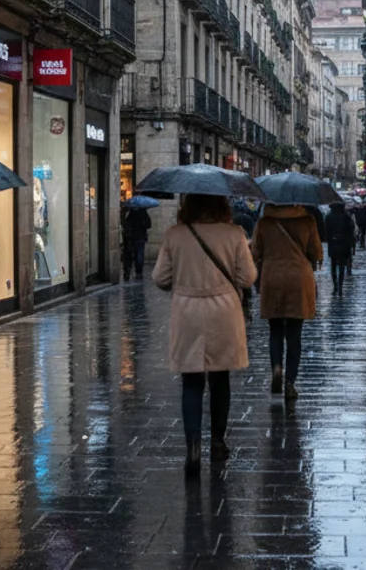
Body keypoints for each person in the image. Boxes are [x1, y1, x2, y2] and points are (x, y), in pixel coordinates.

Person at [152, 195, 256, 476]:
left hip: (187, 314)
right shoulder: (234, 234)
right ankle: (218, 441)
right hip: (223, 312)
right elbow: (247, 278)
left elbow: (160, 278)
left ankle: (193, 447)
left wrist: (184, 278)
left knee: (192, 381)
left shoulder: (175, 235)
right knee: (220, 379)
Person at [252, 204, 322, 399]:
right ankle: (290, 381)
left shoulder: (264, 223)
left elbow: (255, 252)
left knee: (274, 331)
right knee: (294, 335)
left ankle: (276, 367)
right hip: (298, 280)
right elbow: (316, 252)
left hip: (272, 277)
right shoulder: (307, 221)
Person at [325, 203, 355, 297]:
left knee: (333, 265)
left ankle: (335, 286)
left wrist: (329, 239)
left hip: (333, 243)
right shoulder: (345, 216)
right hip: (344, 244)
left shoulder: (329, 216)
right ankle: (340, 286)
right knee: (342, 266)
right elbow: (351, 229)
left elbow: (326, 231)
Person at [121, 206, 153, 280]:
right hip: (140, 237)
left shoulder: (131, 213)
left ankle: (127, 272)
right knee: (139, 255)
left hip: (131, 237)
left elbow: (127, 224)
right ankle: (139, 272)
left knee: (129, 255)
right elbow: (149, 225)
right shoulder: (144, 213)